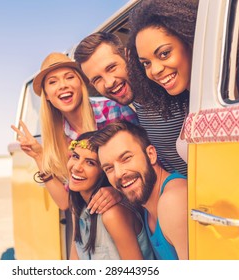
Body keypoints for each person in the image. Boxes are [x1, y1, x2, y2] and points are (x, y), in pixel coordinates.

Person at [11, 52, 138, 211]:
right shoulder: (61, 138)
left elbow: (151, 164)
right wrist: (39, 156)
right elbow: (65, 202)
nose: (63, 85)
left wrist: (119, 191)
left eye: (69, 77)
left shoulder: (115, 111)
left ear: (81, 83)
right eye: (53, 82)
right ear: (47, 96)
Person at [74, 31, 188, 177]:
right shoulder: (133, 109)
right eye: (97, 79)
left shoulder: (172, 89)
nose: (109, 83)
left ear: (127, 57)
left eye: (111, 68)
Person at [89, 120, 188, 260]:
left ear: (151, 155)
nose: (118, 173)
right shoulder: (148, 205)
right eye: (109, 168)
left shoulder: (173, 200)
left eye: (126, 158)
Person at [127, 0, 199, 163]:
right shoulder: (191, 102)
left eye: (164, 53)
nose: (155, 70)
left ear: (190, 40)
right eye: (146, 63)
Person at [68, 131, 154, 260]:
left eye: (90, 162)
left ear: (104, 172)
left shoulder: (112, 215)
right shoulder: (78, 207)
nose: (76, 167)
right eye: (75, 156)